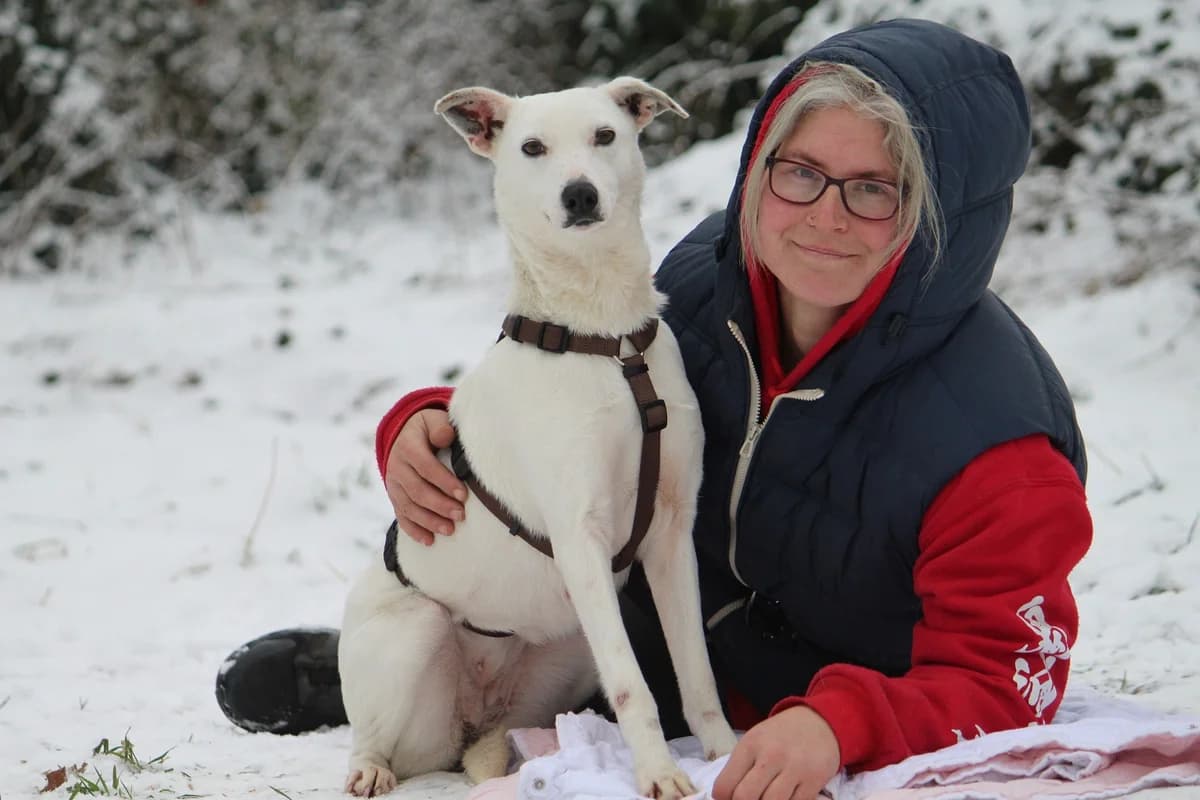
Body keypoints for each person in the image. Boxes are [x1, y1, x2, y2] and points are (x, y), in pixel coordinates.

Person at [215, 18, 1093, 800]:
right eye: (799, 172)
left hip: (771, 701)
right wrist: (429, 420)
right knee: (464, 639)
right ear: (756, 169)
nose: (825, 215)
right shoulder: (699, 284)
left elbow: (1009, 678)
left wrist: (843, 722)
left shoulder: (995, 441)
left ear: (942, 216)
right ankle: (408, 667)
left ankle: (432, 681)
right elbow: (575, 397)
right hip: (610, 636)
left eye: (875, 188)